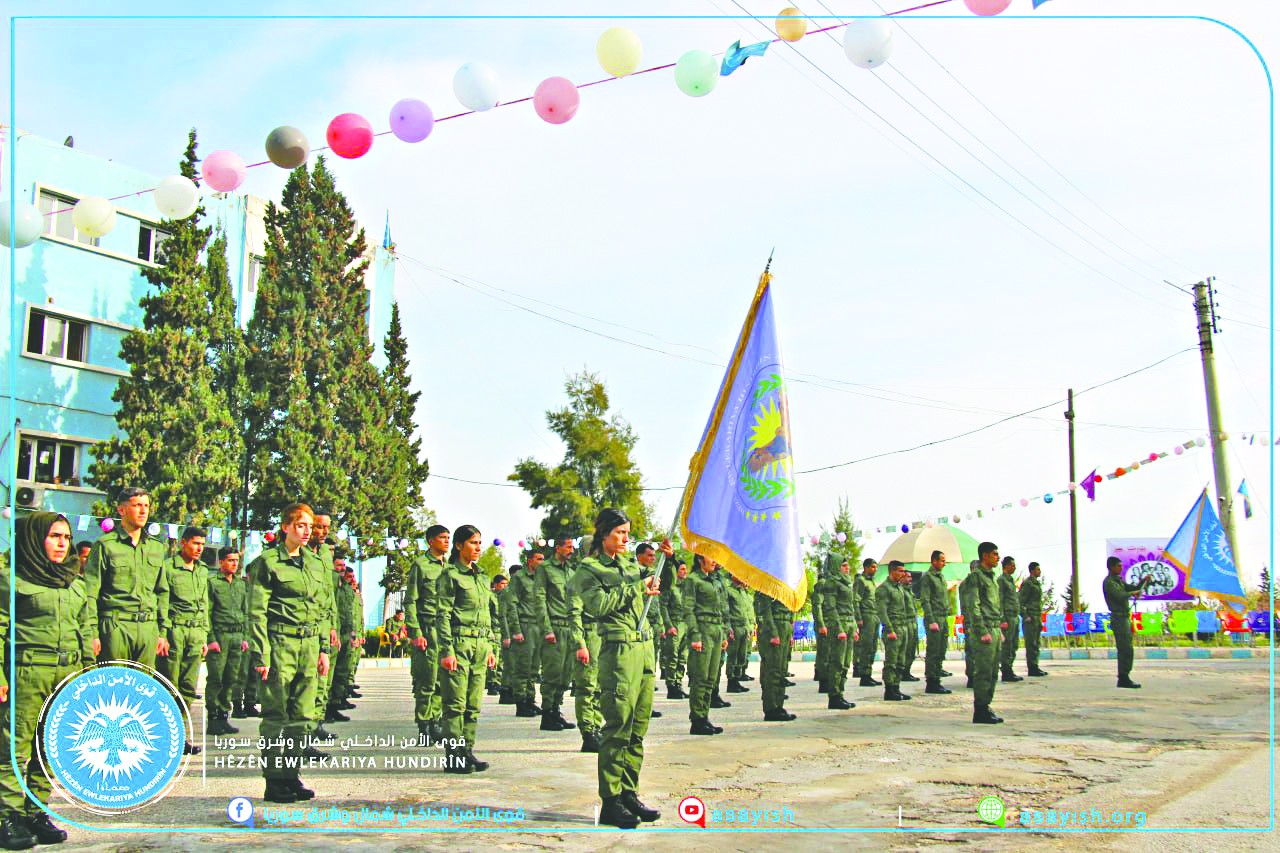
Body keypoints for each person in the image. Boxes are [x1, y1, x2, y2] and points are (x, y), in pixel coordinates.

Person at [570, 508, 668, 829]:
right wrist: (638, 588)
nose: (626, 539)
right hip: (619, 650)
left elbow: (646, 586)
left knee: (638, 728)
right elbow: (598, 606)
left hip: (643, 647)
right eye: (620, 533)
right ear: (603, 534)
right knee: (618, 728)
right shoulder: (590, 569)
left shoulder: (629, 564)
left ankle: (629, 792)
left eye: (628, 533)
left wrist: (662, 563)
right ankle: (611, 801)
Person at [0, 512, 93, 848]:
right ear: (34, 538)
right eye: (54, 536)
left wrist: (87, 677)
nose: (61, 544)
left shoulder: (75, 582)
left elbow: (85, 632)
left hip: (65, 675)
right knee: (13, 747)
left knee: (49, 748)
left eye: (66, 538)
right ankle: (8, 816)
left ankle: (36, 810)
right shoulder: (12, 579)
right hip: (26, 671)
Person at [248, 502, 330, 803]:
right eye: (300, 526)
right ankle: (273, 781)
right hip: (281, 645)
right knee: (276, 717)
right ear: (285, 527)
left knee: (303, 717)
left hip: (309, 647)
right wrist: (263, 655)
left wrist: (323, 649)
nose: (307, 531)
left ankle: (290, 774)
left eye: (310, 526)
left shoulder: (316, 563)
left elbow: (322, 609)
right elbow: (256, 613)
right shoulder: (268, 563)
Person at [84, 486, 170, 666]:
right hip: (116, 626)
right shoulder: (105, 545)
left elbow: (162, 592)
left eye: (146, 505)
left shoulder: (156, 548)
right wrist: (92, 633)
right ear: (121, 510)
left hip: (148, 627)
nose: (143, 510)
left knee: (142, 687)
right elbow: (90, 593)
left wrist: (162, 632)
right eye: (137, 505)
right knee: (115, 686)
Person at [436, 524, 498, 773]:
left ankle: (467, 750)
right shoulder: (450, 575)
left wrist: (491, 647)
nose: (478, 548)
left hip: (481, 646)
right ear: (459, 545)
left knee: (473, 704)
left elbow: (488, 615)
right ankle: (453, 755)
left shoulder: (482, 578)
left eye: (479, 543)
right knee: (455, 704)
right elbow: (442, 616)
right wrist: (447, 651)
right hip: (459, 644)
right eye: (473, 543)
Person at [157, 526, 210, 755]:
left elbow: (204, 603)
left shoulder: (203, 571)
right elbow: (162, 602)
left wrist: (205, 636)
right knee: (169, 686)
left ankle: (181, 737)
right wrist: (163, 634)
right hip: (175, 632)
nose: (199, 549)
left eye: (202, 544)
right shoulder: (168, 568)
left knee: (188, 688)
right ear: (183, 543)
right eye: (195, 543)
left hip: (195, 634)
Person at [403, 524, 449, 743]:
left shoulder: (450, 568)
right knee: (426, 681)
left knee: (442, 680)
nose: (447, 541)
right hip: (427, 629)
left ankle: (436, 722)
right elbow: (410, 601)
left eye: (448, 538)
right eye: (442, 537)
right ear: (431, 541)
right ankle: (424, 725)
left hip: (445, 631)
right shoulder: (420, 566)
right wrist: (415, 632)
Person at [538, 536, 581, 733]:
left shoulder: (572, 571)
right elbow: (539, 600)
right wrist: (546, 629)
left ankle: (556, 709)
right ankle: (547, 713)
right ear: (558, 548)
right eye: (568, 547)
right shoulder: (545, 569)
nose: (572, 550)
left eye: (573, 547)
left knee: (566, 674)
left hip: (570, 628)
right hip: (554, 627)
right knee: (552, 672)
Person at [686, 555, 731, 735]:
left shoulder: (716, 580)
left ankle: (704, 716)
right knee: (701, 677)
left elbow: (724, 607)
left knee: (711, 678)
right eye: (710, 557)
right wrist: (695, 635)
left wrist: (725, 632)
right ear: (699, 559)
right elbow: (688, 609)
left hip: (716, 630)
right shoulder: (693, 580)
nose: (714, 561)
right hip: (702, 629)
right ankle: (697, 719)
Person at [960, 543, 1003, 724]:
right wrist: (982, 630)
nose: (997, 557)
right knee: (983, 670)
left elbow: (993, 606)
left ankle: (986, 705)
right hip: (984, 628)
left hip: (994, 627)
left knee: (993, 670)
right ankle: (980, 709)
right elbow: (973, 606)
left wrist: (998, 629)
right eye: (994, 554)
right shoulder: (975, 578)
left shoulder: (992, 578)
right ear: (985, 556)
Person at [208, 547, 250, 732]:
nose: (234, 564)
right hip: (220, 635)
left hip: (237, 636)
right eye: (230, 560)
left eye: (236, 561)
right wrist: (211, 639)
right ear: (221, 562)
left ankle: (224, 715)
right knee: (216, 678)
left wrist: (245, 637)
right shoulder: (212, 583)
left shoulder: (241, 584)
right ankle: (213, 718)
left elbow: (245, 612)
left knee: (231, 678)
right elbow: (207, 612)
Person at [308, 512, 343, 732]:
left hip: (324, 624)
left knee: (321, 681)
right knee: (306, 686)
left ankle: (315, 725)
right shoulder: (297, 553)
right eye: (319, 527)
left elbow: (328, 593)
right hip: (304, 625)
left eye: (327, 527)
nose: (324, 532)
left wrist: (331, 626)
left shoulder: (323, 553)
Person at [508, 549, 548, 718]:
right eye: (539, 559)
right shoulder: (519, 578)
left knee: (534, 667)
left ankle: (530, 700)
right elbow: (512, 605)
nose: (542, 562)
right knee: (523, 667)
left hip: (539, 626)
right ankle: (521, 701)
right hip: (525, 626)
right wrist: (516, 630)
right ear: (530, 561)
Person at [1104, 557, 1153, 689]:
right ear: (1111, 567)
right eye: (1118, 566)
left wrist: (1144, 581)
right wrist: (1133, 593)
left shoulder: (1119, 581)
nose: (1121, 568)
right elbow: (1120, 595)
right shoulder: (1109, 582)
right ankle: (1123, 677)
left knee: (1128, 648)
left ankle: (1125, 675)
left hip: (1125, 617)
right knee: (1124, 648)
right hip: (1118, 618)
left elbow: (1134, 588)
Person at [819, 555, 857, 710]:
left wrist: (854, 627)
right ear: (835, 567)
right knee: (837, 662)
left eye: (847, 565)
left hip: (849, 623)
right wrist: (839, 629)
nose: (847, 568)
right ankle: (834, 696)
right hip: (838, 624)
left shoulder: (846, 583)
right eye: (843, 566)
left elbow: (851, 607)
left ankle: (841, 693)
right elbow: (830, 607)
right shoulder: (832, 583)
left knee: (846, 663)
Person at [633, 544, 666, 719]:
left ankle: (645, 705)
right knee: (639, 669)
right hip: (638, 624)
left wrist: (669, 558)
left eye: (655, 556)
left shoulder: (651, 573)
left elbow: (657, 602)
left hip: (652, 625)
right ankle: (638, 705)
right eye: (650, 555)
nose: (653, 559)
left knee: (650, 669)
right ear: (640, 556)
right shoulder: (635, 571)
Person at [755, 589, 796, 722]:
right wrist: (773, 632)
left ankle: (779, 706)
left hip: (784, 627)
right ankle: (771, 708)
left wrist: (790, 632)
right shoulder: (765, 586)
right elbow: (765, 613)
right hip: (774, 629)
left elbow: (790, 608)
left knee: (781, 670)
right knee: (772, 670)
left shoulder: (783, 585)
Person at [876, 561, 912, 701]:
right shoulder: (884, 589)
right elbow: (882, 611)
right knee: (892, 661)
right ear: (892, 571)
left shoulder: (900, 588)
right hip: (893, 628)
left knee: (901, 660)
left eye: (904, 571)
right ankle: (889, 689)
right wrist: (889, 629)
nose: (903, 574)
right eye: (900, 571)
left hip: (903, 627)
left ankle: (896, 687)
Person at [920, 550, 952, 695]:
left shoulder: (941, 577)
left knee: (941, 650)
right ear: (934, 561)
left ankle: (937, 678)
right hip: (935, 618)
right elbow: (925, 600)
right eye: (941, 560)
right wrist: (931, 620)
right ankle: (932, 682)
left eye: (944, 561)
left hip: (943, 617)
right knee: (933, 651)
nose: (944, 563)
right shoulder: (928, 577)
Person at [660, 560, 692, 699]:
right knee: (672, 656)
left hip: (686, 625)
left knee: (683, 657)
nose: (685, 572)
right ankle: (671, 686)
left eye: (686, 569)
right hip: (675, 625)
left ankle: (679, 684)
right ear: (676, 571)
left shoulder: (688, 589)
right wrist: (668, 625)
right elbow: (663, 606)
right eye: (682, 569)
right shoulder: (671, 588)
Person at [497, 564, 522, 706]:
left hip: (520, 633)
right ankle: (505, 693)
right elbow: (503, 616)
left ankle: (514, 691)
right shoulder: (507, 592)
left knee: (517, 665)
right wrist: (506, 635)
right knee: (510, 665)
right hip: (510, 634)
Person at [725, 576, 754, 693]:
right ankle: (731, 682)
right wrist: (728, 627)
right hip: (735, 626)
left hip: (744, 627)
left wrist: (749, 628)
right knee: (733, 655)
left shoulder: (743, 592)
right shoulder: (729, 591)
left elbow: (746, 612)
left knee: (741, 655)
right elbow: (726, 610)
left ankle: (737, 679)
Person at [854, 559, 880, 686]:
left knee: (873, 647)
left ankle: (868, 673)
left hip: (875, 616)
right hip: (866, 615)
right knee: (867, 647)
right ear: (866, 567)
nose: (875, 570)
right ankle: (864, 675)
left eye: (876, 567)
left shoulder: (872, 582)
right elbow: (856, 600)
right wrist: (858, 618)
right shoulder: (861, 581)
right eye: (873, 567)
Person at [1020, 563, 1048, 677]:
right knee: (1031, 643)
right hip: (1030, 617)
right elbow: (1021, 601)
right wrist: (1025, 615)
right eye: (1037, 569)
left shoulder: (1036, 583)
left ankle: (1035, 666)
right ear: (1032, 571)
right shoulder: (1028, 583)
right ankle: (1032, 667)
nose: (1039, 571)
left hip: (1037, 616)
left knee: (1036, 643)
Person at [997, 556, 1023, 683]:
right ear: (1005, 566)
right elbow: (1000, 600)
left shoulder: (1010, 580)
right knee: (1007, 645)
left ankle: (1010, 668)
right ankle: (1006, 671)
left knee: (1014, 644)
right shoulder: (1001, 580)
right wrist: (1002, 619)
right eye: (1012, 565)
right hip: (1007, 616)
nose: (1014, 567)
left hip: (1014, 616)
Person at [898, 565, 921, 683]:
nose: (910, 579)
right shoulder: (900, 590)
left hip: (913, 622)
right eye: (907, 577)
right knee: (906, 649)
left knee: (912, 648)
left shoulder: (909, 591)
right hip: (905, 622)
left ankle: (907, 671)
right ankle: (902, 672)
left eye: (911, 577)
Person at [811, 559, 831, 689]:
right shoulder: (822, 584)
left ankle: (821, 675)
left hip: (828, 622)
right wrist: (821, 624)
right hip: (825, 623)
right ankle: (823, 681)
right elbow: (817, 606)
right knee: (825, 652)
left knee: (824, 652)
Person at [487, 574, 508, 696]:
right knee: (494, 655)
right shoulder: (490, 597)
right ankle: (491, 682)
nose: (504, 586)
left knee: (502, 659)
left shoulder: (506, 597)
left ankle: (498, 680)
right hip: (494, 630)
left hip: (503, 630)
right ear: (495, 584)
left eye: (506, 584)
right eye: (502, 584)